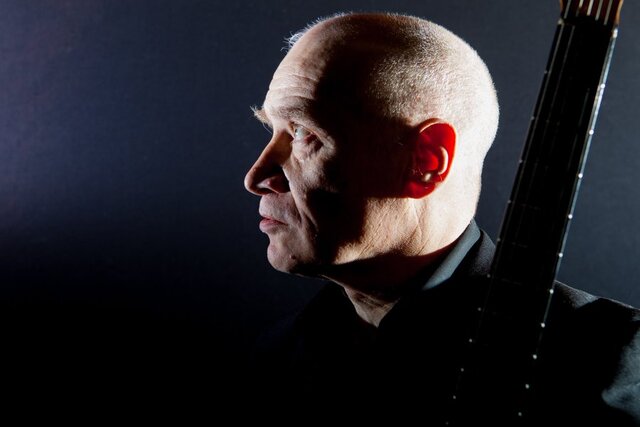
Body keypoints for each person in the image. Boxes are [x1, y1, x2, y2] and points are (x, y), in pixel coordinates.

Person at [243, 12, 640, 424]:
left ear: (427, 161)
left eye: (304, 133)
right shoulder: (280, 356)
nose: (256, 178)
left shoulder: (601, 361)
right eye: (270, 129)